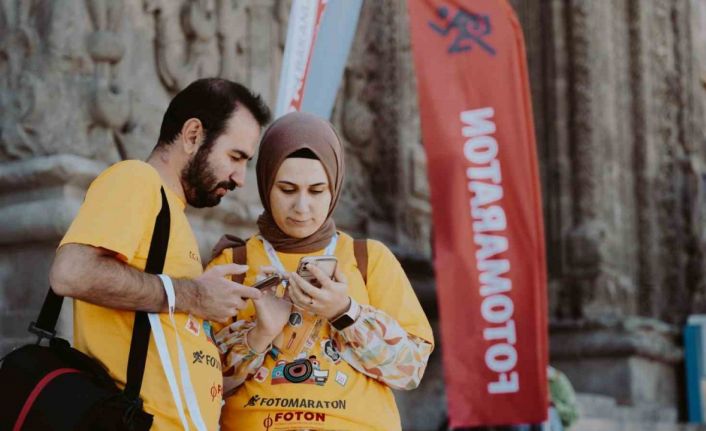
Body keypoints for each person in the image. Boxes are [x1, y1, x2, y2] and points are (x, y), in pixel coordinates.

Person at [49, 78, 271, 430]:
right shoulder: (136, 179)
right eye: (235, 156)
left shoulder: (171, 211)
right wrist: (194, 295)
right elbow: (71, 272)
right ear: (193, 134)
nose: (240, 178)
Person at [209, 112, 435, 430]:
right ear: (265, 184)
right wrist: (258, 334)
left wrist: (345, 312)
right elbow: (204, 378)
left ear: (335, 188)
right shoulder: (234, 263)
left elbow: (410, 369)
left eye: (316, 191)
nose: (302, 207)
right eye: (287, 189)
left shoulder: (369, 258)